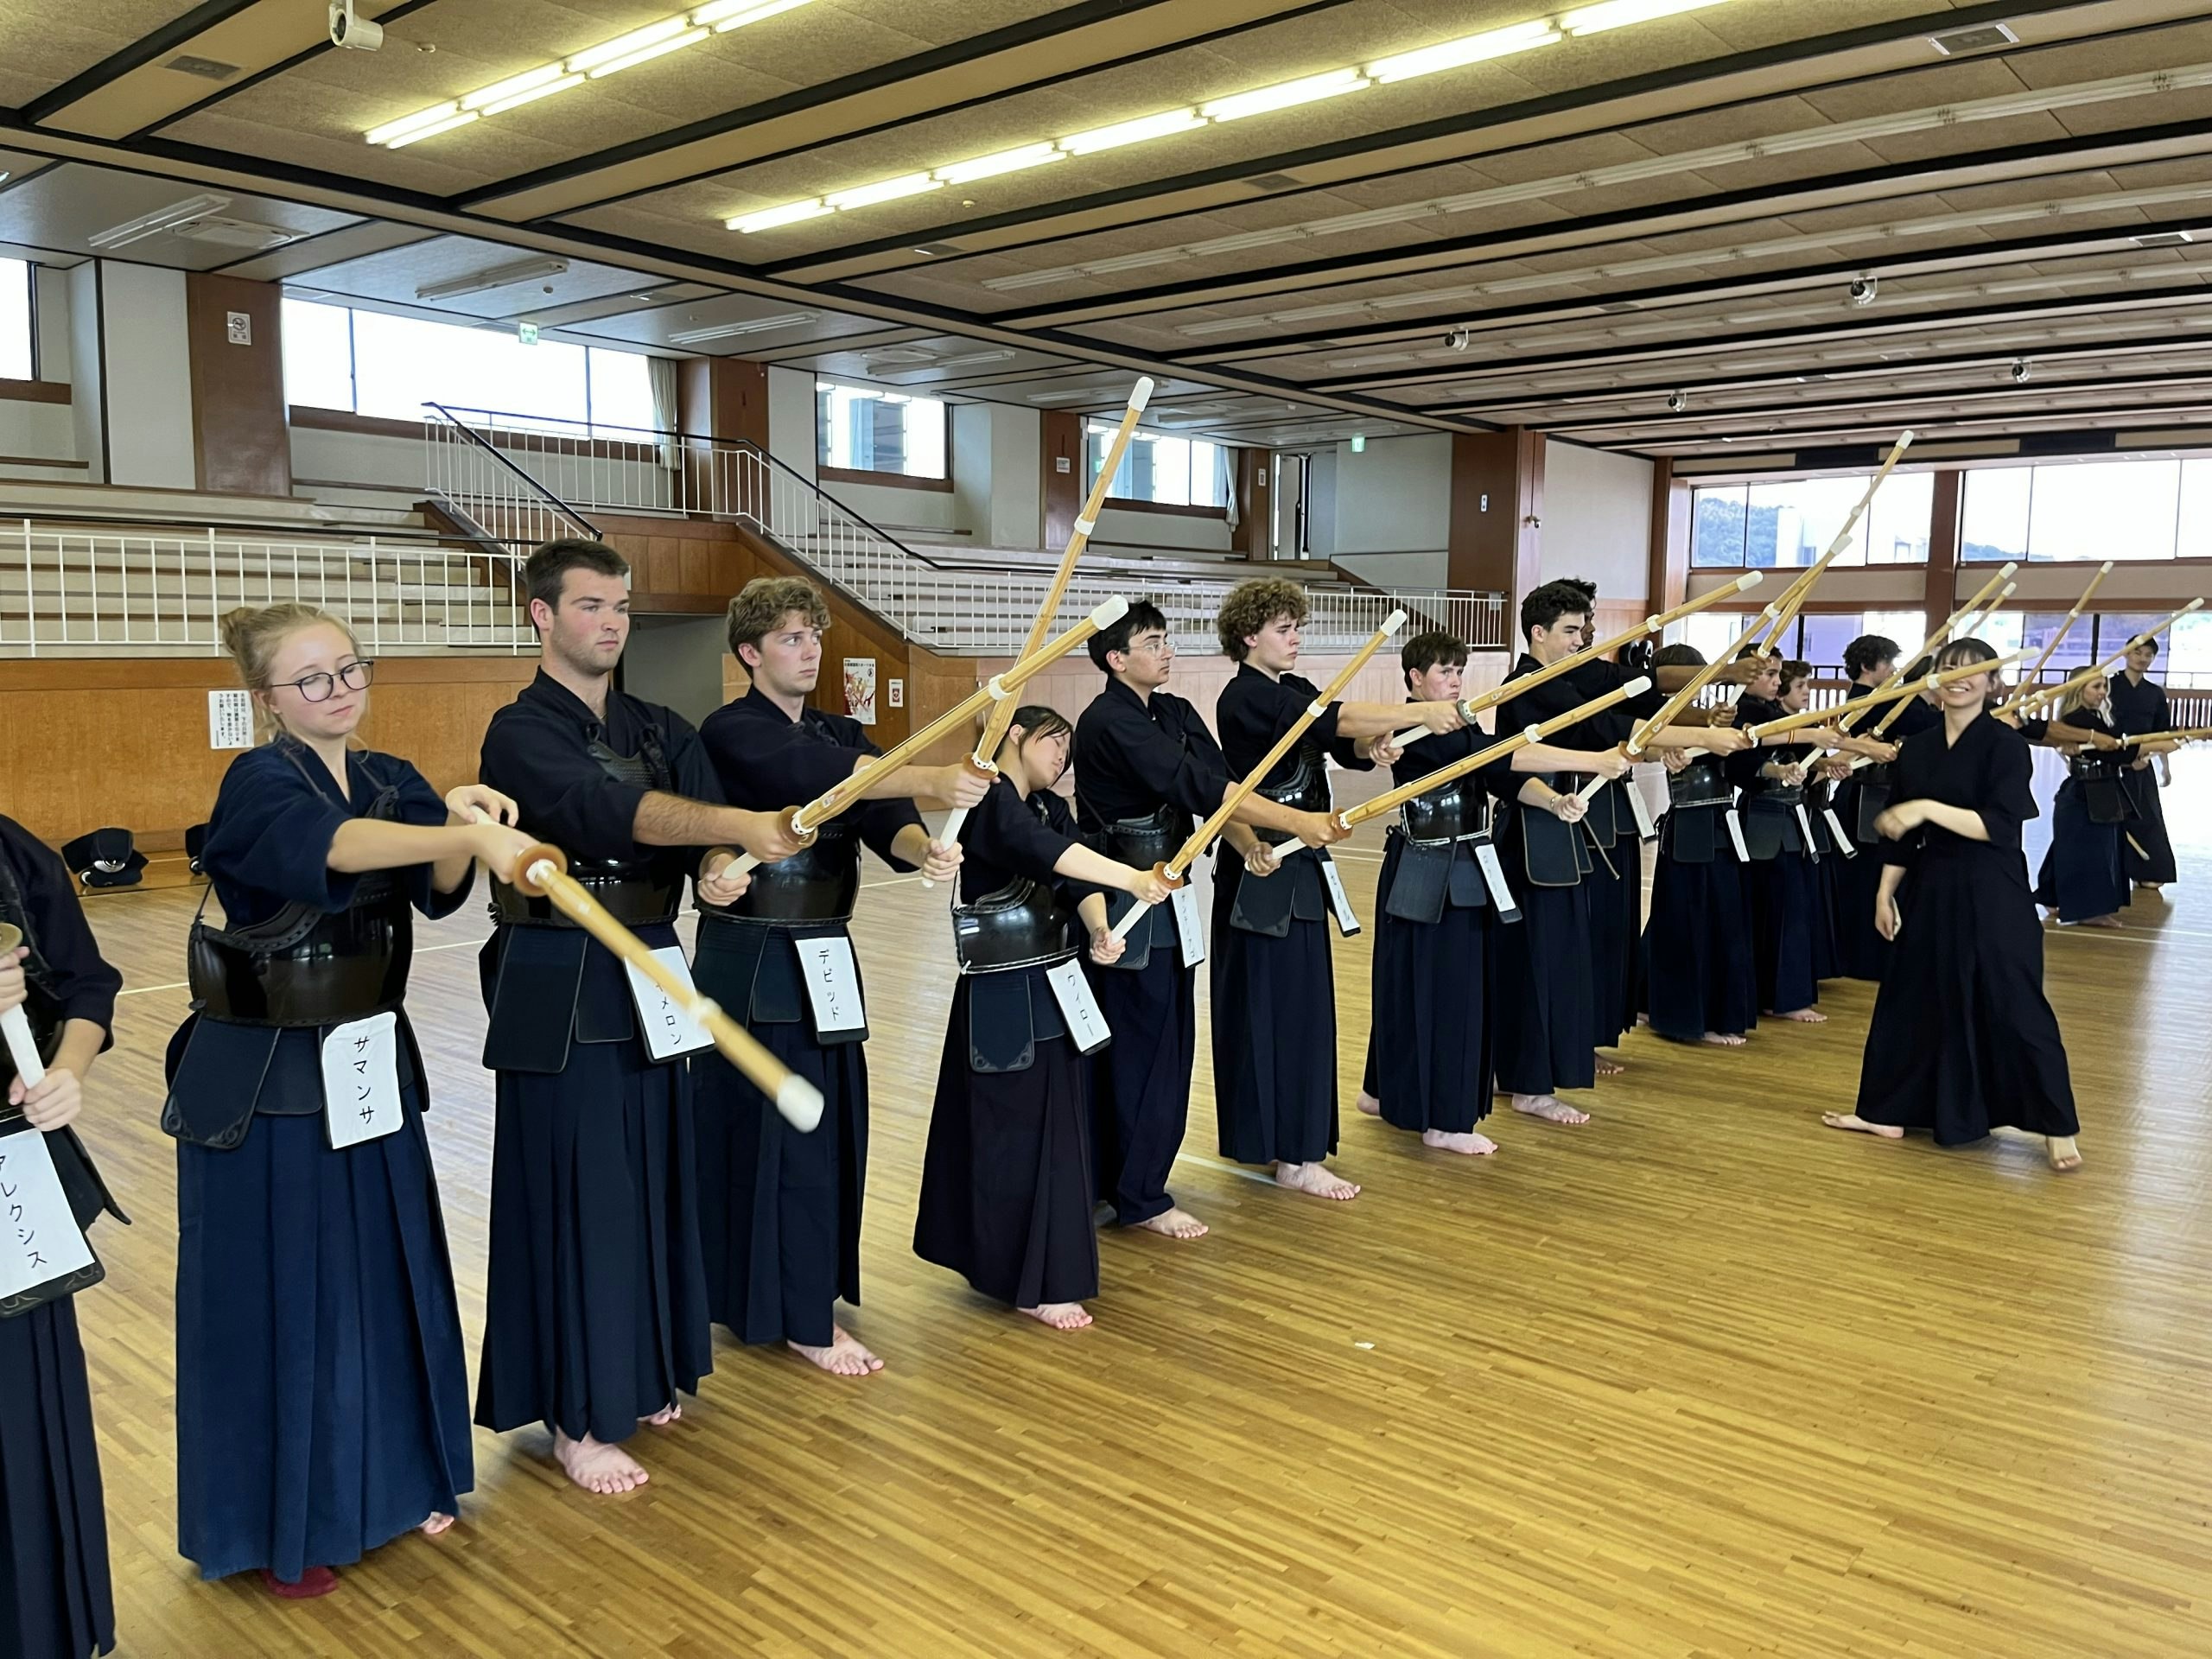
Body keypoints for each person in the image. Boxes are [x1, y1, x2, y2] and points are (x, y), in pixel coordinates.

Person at [166, 602, 538, 1597]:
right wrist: (451, 830)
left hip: (367, 1063)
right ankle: (285, 1526)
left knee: (383, 1275)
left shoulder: (388, 777)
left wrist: (463, 829)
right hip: (268, 1082)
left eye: (349, 668)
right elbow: (332, 848)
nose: (338, 690)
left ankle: (394, 1485)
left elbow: (436, 882)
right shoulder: (257, 783)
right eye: (312, 678)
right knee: (289, 1298)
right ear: (267, 699)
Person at [474, 540, 801, 1497]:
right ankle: (577, 1414)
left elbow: (702, 825)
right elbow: (608, 810)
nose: (611, 623)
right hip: (562, 975)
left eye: (621, 607)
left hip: (653, 961)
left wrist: (721, 868)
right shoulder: (517, 731)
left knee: (656, 1172)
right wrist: (733, 831)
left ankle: (645, 1369)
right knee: (582, 1187)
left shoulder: (658, 724)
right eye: (590, 606)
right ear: (541, 615)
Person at [691, 577, 984, 1378]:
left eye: (813, 635)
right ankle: (782, 1307)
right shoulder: (733, 730)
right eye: (790, 638)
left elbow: (881, 817)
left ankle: (803, 1291)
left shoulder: (839, 730)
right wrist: (928, 775)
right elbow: (820, 776)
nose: (810, 649)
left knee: (829, 1127)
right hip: (753, 957)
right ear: (750, 653)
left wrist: (927, 848)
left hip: (824, 951)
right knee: (762, 1131)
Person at [1071, 601, 1338, 1239]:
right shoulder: (1108, 720)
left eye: (1166, 639)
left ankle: (1127, 1183)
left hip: (1169, 898)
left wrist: (1249, 843)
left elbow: (1220, 785)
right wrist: (1295, 821)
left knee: (1168, 1047)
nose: (1167, 651)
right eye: (1152, 642)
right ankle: (1135, 1195)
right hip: (1123, 903)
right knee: (1138, 1049)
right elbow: (1191, 783)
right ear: (1116, 659)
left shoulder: (1172, 711)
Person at [913, 708, 1173, 1330]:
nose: (1062, 756)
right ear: (1015, 736)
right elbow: (1045, 854)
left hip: (1055, 981)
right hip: (1002, 993)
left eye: (1067, 748)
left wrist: (1100, 927)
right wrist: (1133, 877)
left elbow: (1074, 874)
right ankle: (1019, 1279)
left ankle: (1044, 1268)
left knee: (1058, 1127)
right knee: (1011, 1132)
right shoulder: (988, 802)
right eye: (1053, 742)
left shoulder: (1049, 807)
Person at [1208, 578, 1465, 1200]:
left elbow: (1338, 737)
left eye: (1298, 627)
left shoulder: (1291, 688)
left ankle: (1288, 1146)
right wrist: (1415, 713)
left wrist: (1371, 746)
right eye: (1283, 630)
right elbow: (1331, 718)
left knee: (1300, 1010)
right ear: (1249, 636)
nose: (1296, 638)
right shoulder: (1244, 697)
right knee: (1271, 1010)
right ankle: (1291, 1156)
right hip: (1263, 863)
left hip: (1300, 863)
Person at [1353, 631, 1624, 1154]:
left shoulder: (1462, 724)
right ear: (1415, 679)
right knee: (1430, 988)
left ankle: (1384, 1090)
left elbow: (1501, 777)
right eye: (1444, 672)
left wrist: (1553, 803)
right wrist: (1594, 761)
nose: (1455, 681)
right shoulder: (1411, 729)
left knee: (1429, 984)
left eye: (1460, 672)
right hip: (1426, 870)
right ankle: (1441, 1121)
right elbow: (1503, 756)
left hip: (1461, 867)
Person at [1823, 639, 2082, 1172]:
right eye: (1949, 669)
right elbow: (1899, 830)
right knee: (1909, 998)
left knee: (2014, 999)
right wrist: (1884, 892)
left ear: (1992, 683)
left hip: (1994, 887)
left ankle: (2058, 1126)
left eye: (1973, 670)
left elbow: (1998, 827)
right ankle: (1886, 1112)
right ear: (1934, 679)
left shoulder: (2004, 745)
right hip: (1931, 884)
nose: (1959, 678)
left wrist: (1924, 808)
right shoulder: (1917, 747)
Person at [0, 813, 124, 1655]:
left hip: (14, 1171)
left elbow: (87, 983)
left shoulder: (11, 851)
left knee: (22, 1417)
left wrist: (65, 1073)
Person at [1638, 645, 1758, 1046]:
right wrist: (1668, 752)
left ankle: (1651, 999)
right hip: (1687, 829)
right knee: (1683, 922)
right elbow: (1646, 745)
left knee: (1718, 918)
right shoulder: (1659, 717)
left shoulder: (1711, 716)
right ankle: (1681, 1016)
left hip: (1720, 823)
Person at [1732, 659, 1834, 1024]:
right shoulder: (1745, 713)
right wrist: (1810, 738)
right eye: (1770, 675)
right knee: (1775, 910)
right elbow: (1750, 755)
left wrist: (1825, 765)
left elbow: (1797, 760)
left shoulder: (1773, 714)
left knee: (1786, 909)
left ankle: (1778, 996)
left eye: (1778, 676)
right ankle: (1778, 998)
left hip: (1787, 822)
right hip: (1762, 822)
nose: (1776, 682)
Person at [1827, 635, 1906, 981]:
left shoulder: (1882, 700)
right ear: (1866, 665)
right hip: (1862, 796)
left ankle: (1872, 955)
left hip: (1875, 793)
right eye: (1887, 663)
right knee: (1863, 877)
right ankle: (1862, 958)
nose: (1892, 670)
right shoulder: (1863, 702)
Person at [2033, 674, 2130, 929]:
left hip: (2096, 788)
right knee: (2090, 850)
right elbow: (2113, 751)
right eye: (2096, 686)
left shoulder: (2097, 716)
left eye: (2104, 686)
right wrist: (2137, 751)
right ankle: (2090, 910)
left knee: (2071, 844)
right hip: (2086, 791)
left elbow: (2116, 745)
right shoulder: (2078, 719)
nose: (2102, 692)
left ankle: (2051, 894)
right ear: (2078, 690)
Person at [2108, 636, 2179, 889]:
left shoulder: (2154, 693)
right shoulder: (2108, 687)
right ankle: (2108, 869)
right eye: (2137, 652)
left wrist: (2164, 767)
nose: (2142, 658)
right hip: (2109, 762)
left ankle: (2148, 870)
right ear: (2126, 654)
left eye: (2148, 655)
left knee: (2148, 815)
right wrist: (2123, 759)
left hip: (2143, 762)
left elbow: (2162, 734)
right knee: (2109, 817)